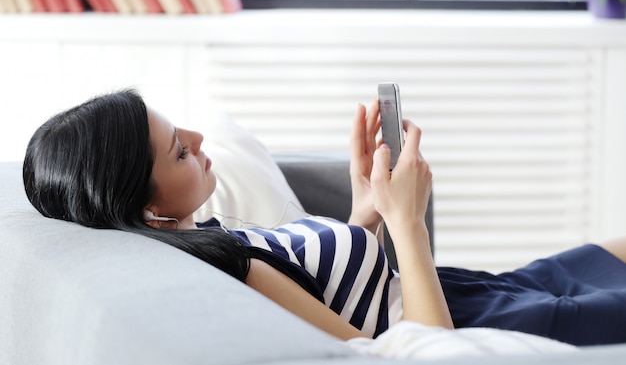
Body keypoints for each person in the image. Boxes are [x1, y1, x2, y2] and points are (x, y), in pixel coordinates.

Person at [23, 89, 626, 347]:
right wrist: (405, 222)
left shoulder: (206, 235)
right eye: (179, 150)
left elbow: (332, 291)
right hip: (472, 322)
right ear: (149, 209)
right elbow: (416, 351)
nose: (198, 137)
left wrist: (364, 207)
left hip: (474, 290)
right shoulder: (229, 269)